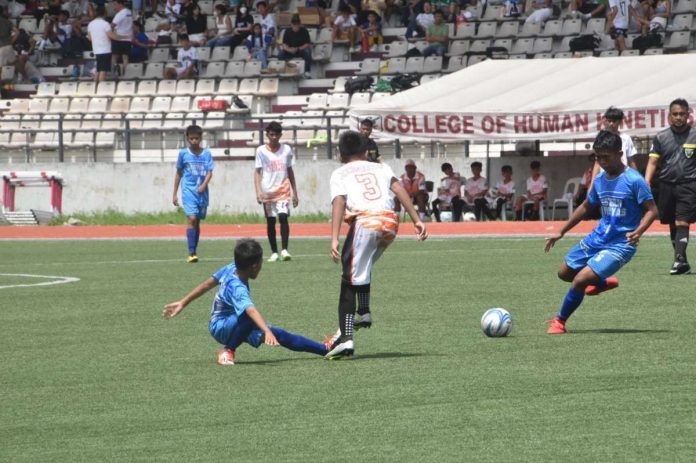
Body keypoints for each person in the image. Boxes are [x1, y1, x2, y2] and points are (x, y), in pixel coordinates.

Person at [325, 130, 428, 359]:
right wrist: (417, 219)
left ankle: (347, 338)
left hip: (366, 222)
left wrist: (334, 237)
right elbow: (398, 188)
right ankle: (363, 311)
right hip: (390, 222)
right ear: (366, 152)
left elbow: (339, 201)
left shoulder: (339, 172)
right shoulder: (381, 167)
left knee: (348, 277)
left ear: (340, 155)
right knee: (363, 265)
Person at [544, 130, 658, 334]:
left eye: (606, 157)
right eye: (598, 157)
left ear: (619, 153)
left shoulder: (634, 180)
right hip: (598, 237)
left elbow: (652, 211)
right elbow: (587, 206)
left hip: (621, 244)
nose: (602, 161)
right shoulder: (600, 180)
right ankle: (600, 282)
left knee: (580, 280)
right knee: (564, 273)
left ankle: (559, 321)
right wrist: (560, 231)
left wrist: (638, 232)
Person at [163, 239, 330, 366]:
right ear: (254, 266)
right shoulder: (238, 287)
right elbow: (250, 311)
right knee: (252, 319)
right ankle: (228, 351)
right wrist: (266, 330)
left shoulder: (231, 267)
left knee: (280, 335)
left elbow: (207, 284)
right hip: (221, 326)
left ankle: (325, 349)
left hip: (233, 323)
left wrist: (183, 303)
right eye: (261, 264)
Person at [644, 98, 696, 275]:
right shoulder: (661, 137)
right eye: (675, 114)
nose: (679, 117)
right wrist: (646, 181)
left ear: (688, 115)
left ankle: (679, 259)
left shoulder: (695, 134)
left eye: (682, 114)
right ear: (669, 116)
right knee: (672, 224)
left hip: (689, 183)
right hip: (666, 185)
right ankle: (682, 261)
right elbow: (653, 162)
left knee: (682, 220)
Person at [254, 121, 299, 263]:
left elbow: (290, 170)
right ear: (267, 134)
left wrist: (295, 192)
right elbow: (257, 172)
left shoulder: (286, 150)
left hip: (283, 190)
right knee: (270, 221)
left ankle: (285, 250)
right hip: (267, 191)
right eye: (271, 134)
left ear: (280, 135)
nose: (274, 137)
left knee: (283, 217)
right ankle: (274, 252)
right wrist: (258, 192)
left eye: (276, 135)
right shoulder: (261, 151)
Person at [172, 125, 214, 263]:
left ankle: (194, 249)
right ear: (187, 139)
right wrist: (174, 193)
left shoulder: (206, 154)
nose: (194, 141)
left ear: (201, 138)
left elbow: (209, 172)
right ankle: (191, 252)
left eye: (197, 138)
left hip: (202, 192)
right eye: (191, 138)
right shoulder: (183, 154)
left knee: (197, 221)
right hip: (188, 191)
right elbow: (178, 173)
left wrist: (203, 185)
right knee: (192, 219)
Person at [87, 5, 128, 82]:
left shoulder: (90, 24)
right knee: (103, 70)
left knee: (98, 70)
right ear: (105, 13)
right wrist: (125, 37)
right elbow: (113, 36)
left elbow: (90, 38)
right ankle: (101, 89)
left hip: (96, 50)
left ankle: (95, 88)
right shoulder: (105, 24)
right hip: (105, 50)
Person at [111, 0, 133, 74]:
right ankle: (126, 73)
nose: (113, 6)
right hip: (127, 38)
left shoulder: (120, 14)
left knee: (114, 56)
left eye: (115, 4)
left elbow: (112, 25)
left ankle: (114, 72)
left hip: (118, 38)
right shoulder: (129, 12)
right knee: (125, 57)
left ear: (120, 4)